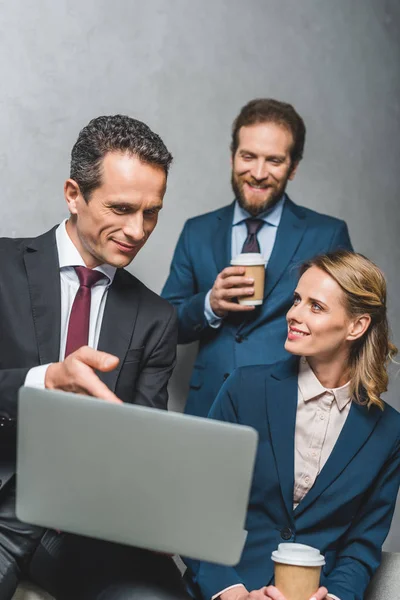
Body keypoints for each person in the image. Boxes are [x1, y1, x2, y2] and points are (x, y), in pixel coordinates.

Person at [0, 115, 190, 599]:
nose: (137, 229)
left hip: (88, 523)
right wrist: (45, 380)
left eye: (152, 213)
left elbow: (145, 438)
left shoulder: (155, 317)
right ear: (73, 194)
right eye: (122, 208)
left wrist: (158, 506)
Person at [184, 250, 400, 600]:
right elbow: (198, 507)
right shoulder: (244, 388)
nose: (294, 314)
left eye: (316, 306)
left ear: (356, 326)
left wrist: (336, 597)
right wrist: (232, 592)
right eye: (297, 300)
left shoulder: (389, 431)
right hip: (228, 591)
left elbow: (361, 545)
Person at [162, 98, 353, 418]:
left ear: (293, 168)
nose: (258, 173)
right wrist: (210, 304)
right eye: (248, 156)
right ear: (232, 157)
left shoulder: (328, 235)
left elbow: (343, 329)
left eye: (274, 160)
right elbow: (166, 323)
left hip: (292, 407)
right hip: (208, 404)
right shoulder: (197, 231)